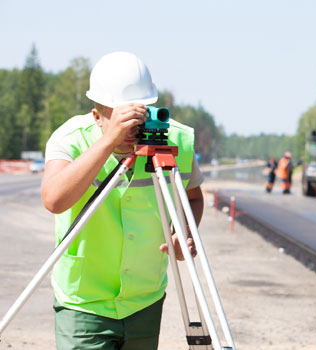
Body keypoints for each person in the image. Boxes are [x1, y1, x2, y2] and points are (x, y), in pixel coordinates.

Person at [41, 51, 202, 349]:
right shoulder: (71, 139)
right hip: (84, 301)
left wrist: (184, 232)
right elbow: (54, 199)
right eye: (120, 117)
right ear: (97, 116)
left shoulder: (173, 140)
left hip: (144, 297)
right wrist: (108, 142)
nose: (132, 130)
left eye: (137, 115)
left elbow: (192, 198)